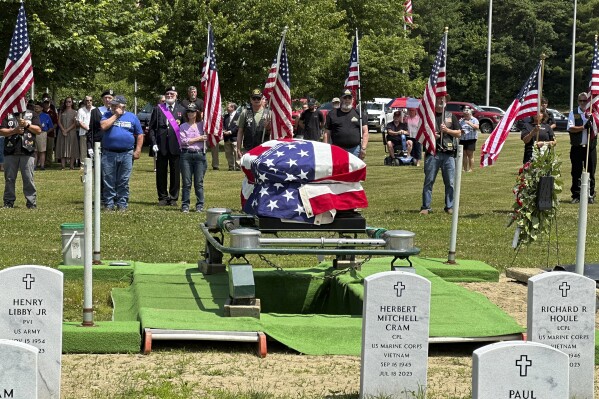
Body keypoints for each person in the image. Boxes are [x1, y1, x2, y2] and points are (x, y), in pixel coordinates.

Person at [420, 95, 463, 215]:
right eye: (438, 99)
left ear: (446, 102)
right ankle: (426, 207)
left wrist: (447, 131)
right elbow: (420, 134)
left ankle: (449, 206)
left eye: (443, 99)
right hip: (432, 153)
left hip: (448, 154)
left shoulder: (451, 116)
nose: (440, 101)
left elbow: (459, 133)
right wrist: (432, 136)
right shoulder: (429, 117)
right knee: (429, 181)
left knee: (450, 182)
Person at [100, 95, 144, 211]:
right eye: (112, 105)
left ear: (123, 106)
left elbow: (140, 134)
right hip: (109, 153)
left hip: (126, 153)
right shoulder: (107, 115)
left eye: (116, 105)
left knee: (123, 180)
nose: (113, 107)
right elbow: (103, 126)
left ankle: (122, 204)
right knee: (108, 179)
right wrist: (116, 115)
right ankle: (109, 204)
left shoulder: (132, 117)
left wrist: (138, 150)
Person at [149, 86, 186, 206]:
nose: (169, 96)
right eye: (167, 94)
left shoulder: (182, 109)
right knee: (161, 172)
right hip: (161, 146)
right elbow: (152, 129)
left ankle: (173, 198)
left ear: (176, 95)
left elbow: (185, 128)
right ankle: (163, 197)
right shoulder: (158, 109)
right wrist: (154, 143)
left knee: (175, 173)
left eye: (172, 94)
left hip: (176, 146)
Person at [0, 108, 42, 208]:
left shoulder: (32, 114)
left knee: (28, 178)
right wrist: (14, 131)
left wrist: (27, 125)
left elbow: (39, 130)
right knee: (9, 178)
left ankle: (31, 202)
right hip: (10, 151)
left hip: (28, 151)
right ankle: (8, 202)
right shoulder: (7, 114)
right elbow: (1, 131)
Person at [567, 92, 596, 204]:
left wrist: (592, 122)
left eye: (585, 100)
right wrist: (583, 127)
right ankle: (576, 195)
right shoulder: (574, 113)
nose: (583, 103)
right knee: (576, 172)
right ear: (578, 101)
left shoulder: (593, 113)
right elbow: (571, 128)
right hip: (577, 147)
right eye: (581, 101)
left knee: (591, 172)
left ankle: (590, 194)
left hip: (590, 147)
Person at [179, 103, 208, 213]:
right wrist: (199, 138)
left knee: (198, 182)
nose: (191, 113)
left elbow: (207, 137)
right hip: (186, 155)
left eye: (193, 111)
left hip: (199, 154)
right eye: (189, 111)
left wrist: (199, 138)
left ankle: (199, 205)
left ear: (197, 113)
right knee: (186, 182)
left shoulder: (202, 125)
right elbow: (183, 142)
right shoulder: (183, 126)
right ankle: (185, 204)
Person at [323, 89, 368, 159]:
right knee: (338, 169)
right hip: (337, 149)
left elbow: (365, 132)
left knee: (354, 170)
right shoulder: (332, 114)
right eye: (345, 98)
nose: (347, 100)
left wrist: (364, 148)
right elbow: (327, 133)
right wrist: (326, 148)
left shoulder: (359, 114)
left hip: (355, 149)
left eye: (349, 98)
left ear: (352, 100)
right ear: (341, 99)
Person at [236, 89, 271, 157]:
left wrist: (269, 128)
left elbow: (273, 133)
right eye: (254, 98)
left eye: (258, 98)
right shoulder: (245, 112)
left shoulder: (269, 113)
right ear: (251, 99)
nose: (256, 100)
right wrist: (238, 149)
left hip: (264, 149)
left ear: (262, 99)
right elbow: (240, 132)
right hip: (248, 149)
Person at [56, 97, 78, 170]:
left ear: (72, 103)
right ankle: (63, 165)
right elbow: (59, 122)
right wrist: (63, 130)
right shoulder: (61, 112)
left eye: (69, 102)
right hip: (62, 132)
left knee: (72, 148)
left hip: (71, 132)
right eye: (66, 102)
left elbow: (75, 123)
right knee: (62, 147)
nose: (68, 103)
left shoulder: (75, 112)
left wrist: (67, 130)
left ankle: (71, 166)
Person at [33, 102, 54, 170]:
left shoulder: (46, 116)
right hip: (33, 133)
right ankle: (34, 166)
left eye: (38, 107)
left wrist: (45, 133)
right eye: (35, 107)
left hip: (42, 133)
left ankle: (42, 166)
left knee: (42, 151)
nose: (36, 108)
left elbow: (51, 126)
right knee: (35, 151)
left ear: (42, 108)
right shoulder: (32, 115)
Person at [458, 108, 479, 172]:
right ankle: (464, 169)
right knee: (464, 154)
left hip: (471, 139)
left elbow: (477, 127)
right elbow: (458, 128)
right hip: (463, 138)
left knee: (470, 154)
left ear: (470, 114)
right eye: (464, 114)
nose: (465, 116)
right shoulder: (461, 120)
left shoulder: (474, 120)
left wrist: (469, 123)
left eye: (467, 114)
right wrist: (461, 131)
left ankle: (471, 169)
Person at [76, 96, 94, 169]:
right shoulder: (81, 110)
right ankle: (83, 165)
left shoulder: (95, 110)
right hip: (83, 132)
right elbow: (79, 122)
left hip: (93, 133)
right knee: (83, 149)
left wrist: (91, 129)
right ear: (84, 102)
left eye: (90, 100)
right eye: (87, 100)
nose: (89, 102)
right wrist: (87, 128)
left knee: (92, 149)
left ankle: (93, 163)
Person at [222, 102, 240, 171]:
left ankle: (238, 166)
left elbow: (238, 126)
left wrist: (230, 132)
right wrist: (224, 131)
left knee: (236, 152)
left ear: (233, 108)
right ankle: (231, 166)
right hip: (226, 138)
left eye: (228, 107)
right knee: (228, 153)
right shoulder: (226, 116)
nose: (227, 108)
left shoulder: (238, 116)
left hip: (235, 137)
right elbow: (223, 125)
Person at [42, 99, 58, 164]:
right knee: (43, 148)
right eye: (45, 103)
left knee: (50, 148)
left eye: (47, 103)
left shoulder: (53, 113)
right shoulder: (41, 112)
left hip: (50, 133)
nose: (46, 104)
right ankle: (42, 161)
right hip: (42, 133)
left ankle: (49, 161)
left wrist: (49, 130)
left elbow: (56, 123)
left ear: (49, 104)